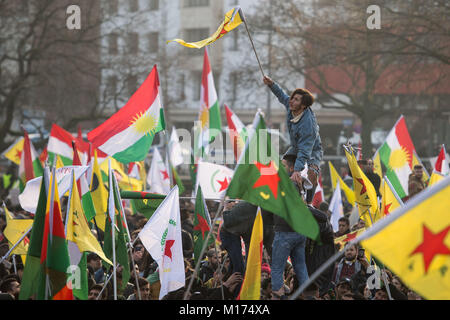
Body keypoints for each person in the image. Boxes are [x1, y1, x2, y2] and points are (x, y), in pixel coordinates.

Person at [263, 75, 323, 204]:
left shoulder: (308, 125)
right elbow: (281, 95)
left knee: (312, 173)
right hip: (296, 147)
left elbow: (305, 151)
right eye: (292, 98)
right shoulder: (291, 106)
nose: (291, 101)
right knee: (282, 166)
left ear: (303, 105)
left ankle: (308, 203)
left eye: (296, 100)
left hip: (312, 150)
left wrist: (297, 170)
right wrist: (271, 84)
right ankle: (277, 194)